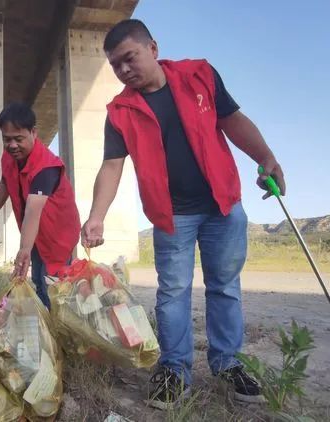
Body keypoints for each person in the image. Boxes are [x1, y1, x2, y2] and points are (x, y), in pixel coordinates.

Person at [81, 19, 287, 409]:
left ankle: (228, 363)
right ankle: (174, 368)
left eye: (129, 58)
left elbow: (233, 121)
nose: (123, 70)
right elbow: (111, 165)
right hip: (171, 216)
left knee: (224, 286)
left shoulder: (200, 75)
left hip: (222, 206)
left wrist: (266, 157)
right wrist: (97, 215)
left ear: (153, 49)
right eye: (115, 65)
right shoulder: (119, 111)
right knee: (172, 293)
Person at [0, 102, 80, 309]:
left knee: (55, 287)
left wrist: (23, 250)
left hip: (57, 236)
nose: (12, 145)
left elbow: (33, 211)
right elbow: (5, 182)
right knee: (37, 280)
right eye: (7, 139)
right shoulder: (9, 157)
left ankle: (60, 333)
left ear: (33, 133)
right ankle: (44, 330)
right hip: (34, 233)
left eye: (19, 139)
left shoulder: (46, 166)